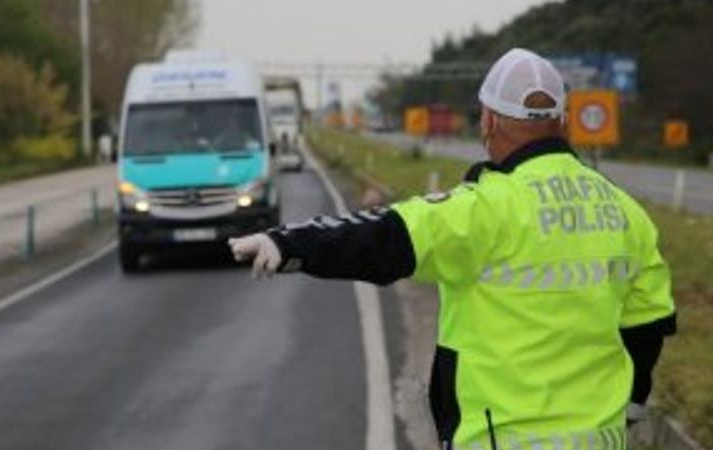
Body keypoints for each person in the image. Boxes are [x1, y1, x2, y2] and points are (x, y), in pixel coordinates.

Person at [229, 48, 675, 450]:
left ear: (489, 121)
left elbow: (381, 237)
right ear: (561, 121)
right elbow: (647, 326)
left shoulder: (483, 208)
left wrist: (287, 243)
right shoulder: (624, 211)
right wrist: (632, 407)